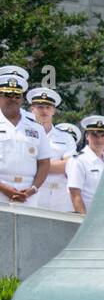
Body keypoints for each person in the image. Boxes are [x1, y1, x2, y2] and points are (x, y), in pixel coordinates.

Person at [0, 73, 54, 206]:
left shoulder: (36, 126)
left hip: (28, 194)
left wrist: (33, 188)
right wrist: (4, 189)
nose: (13, 99)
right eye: (8, 95)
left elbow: (44, 162)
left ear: (22, 99)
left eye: (17, 95)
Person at [25, 87, 78, 212]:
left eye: (48, 107)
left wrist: (38, 164)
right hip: (32, 192)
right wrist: (56, 165)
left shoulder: (66, 137)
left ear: (53, 110)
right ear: (32, 109)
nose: (44, 111)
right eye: (40, 107)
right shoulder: (24, 134)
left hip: (59, 197)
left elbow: (70, 165)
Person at [66, 115, 104, 214]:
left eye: (103, 135)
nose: (99, 140)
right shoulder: (78, 160)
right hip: (88, 218)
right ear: (87, 136)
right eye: (94, 135)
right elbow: (75, 193)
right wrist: (84, 221)